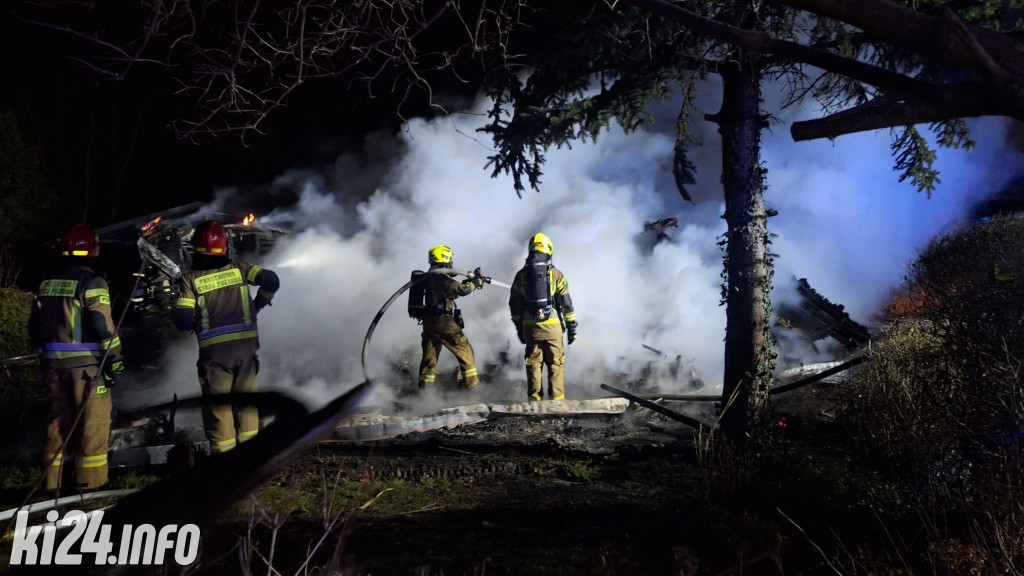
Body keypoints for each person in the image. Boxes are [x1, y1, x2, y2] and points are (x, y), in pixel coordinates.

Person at [28, 223, 124, 494]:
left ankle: (52, 485)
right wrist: (116, 359)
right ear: (92, 248)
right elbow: (101, 325)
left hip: (52, 368)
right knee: (92, 425)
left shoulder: (47, 283)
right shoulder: (92, 282)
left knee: (58, 424)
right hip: (86, 370)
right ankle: (89, 487)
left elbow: (33, 329)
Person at [173, 220, 279, 455]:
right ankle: (250, 460)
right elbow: (272, 281)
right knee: (248, 406)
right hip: (246, 352)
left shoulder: (191, 281)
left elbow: (181, 321)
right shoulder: (240, 268)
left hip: (215, 358)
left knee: (219, 410)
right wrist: (256, 306)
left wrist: (193, 320)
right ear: (225, 246)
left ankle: (224, 467)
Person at [509, 233, 578, 401]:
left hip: (530, 330)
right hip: (553, 330)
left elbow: (514, 305)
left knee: (533, 365)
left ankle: (535, 404)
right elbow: (566, 305)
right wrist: (571, 328)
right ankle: (556, 404)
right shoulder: (556, 274)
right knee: (555, 365)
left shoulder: (520, 276)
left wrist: (519, 328)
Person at [414, 245, 487, 390]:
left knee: (429, 359)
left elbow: (451, 293)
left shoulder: (429, 277)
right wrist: (476, 283)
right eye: (450, 258)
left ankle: (424, 393)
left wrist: (469, 281)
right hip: (444, 322)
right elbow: (462, 290)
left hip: (429, 323)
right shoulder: (440, 276)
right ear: (445, 257)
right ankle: (473, 387)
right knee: (465, 350)